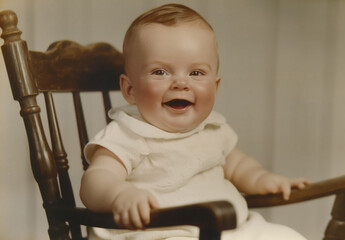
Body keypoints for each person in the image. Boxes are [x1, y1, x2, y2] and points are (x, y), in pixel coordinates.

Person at [80, 3, 310, 240]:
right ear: (130, 89)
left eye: (196, 73)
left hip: (231, 230)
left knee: (285, 235)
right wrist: (120, 195)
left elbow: (239, 167)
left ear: (215, 86)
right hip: (161, 232)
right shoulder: (128, 133)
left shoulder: (212, 129)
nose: (181, 83)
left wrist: (263, 179)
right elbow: (96, 180)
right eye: (160, 72)